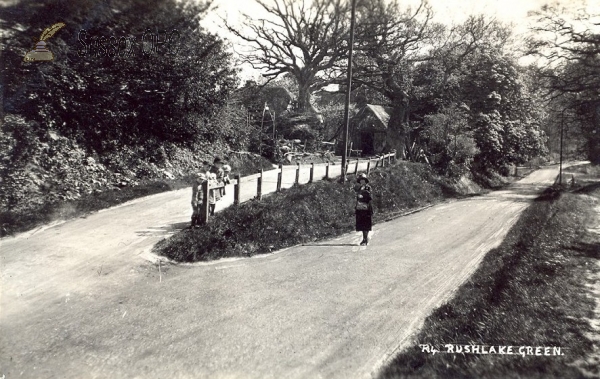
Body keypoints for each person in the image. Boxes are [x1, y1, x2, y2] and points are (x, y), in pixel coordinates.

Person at [354, 173, 373, 246]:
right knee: (361, 224)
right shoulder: (359, 188)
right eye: (360, 180)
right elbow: (358, 197)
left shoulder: (368, 187)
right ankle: (364, 239)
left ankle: (366, 239)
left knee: (366, 223)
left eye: (363, 180)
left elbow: (370, 197)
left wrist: (363, 196)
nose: (362, 181)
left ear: (365, 181)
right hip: (360, 207)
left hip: (366, 207)